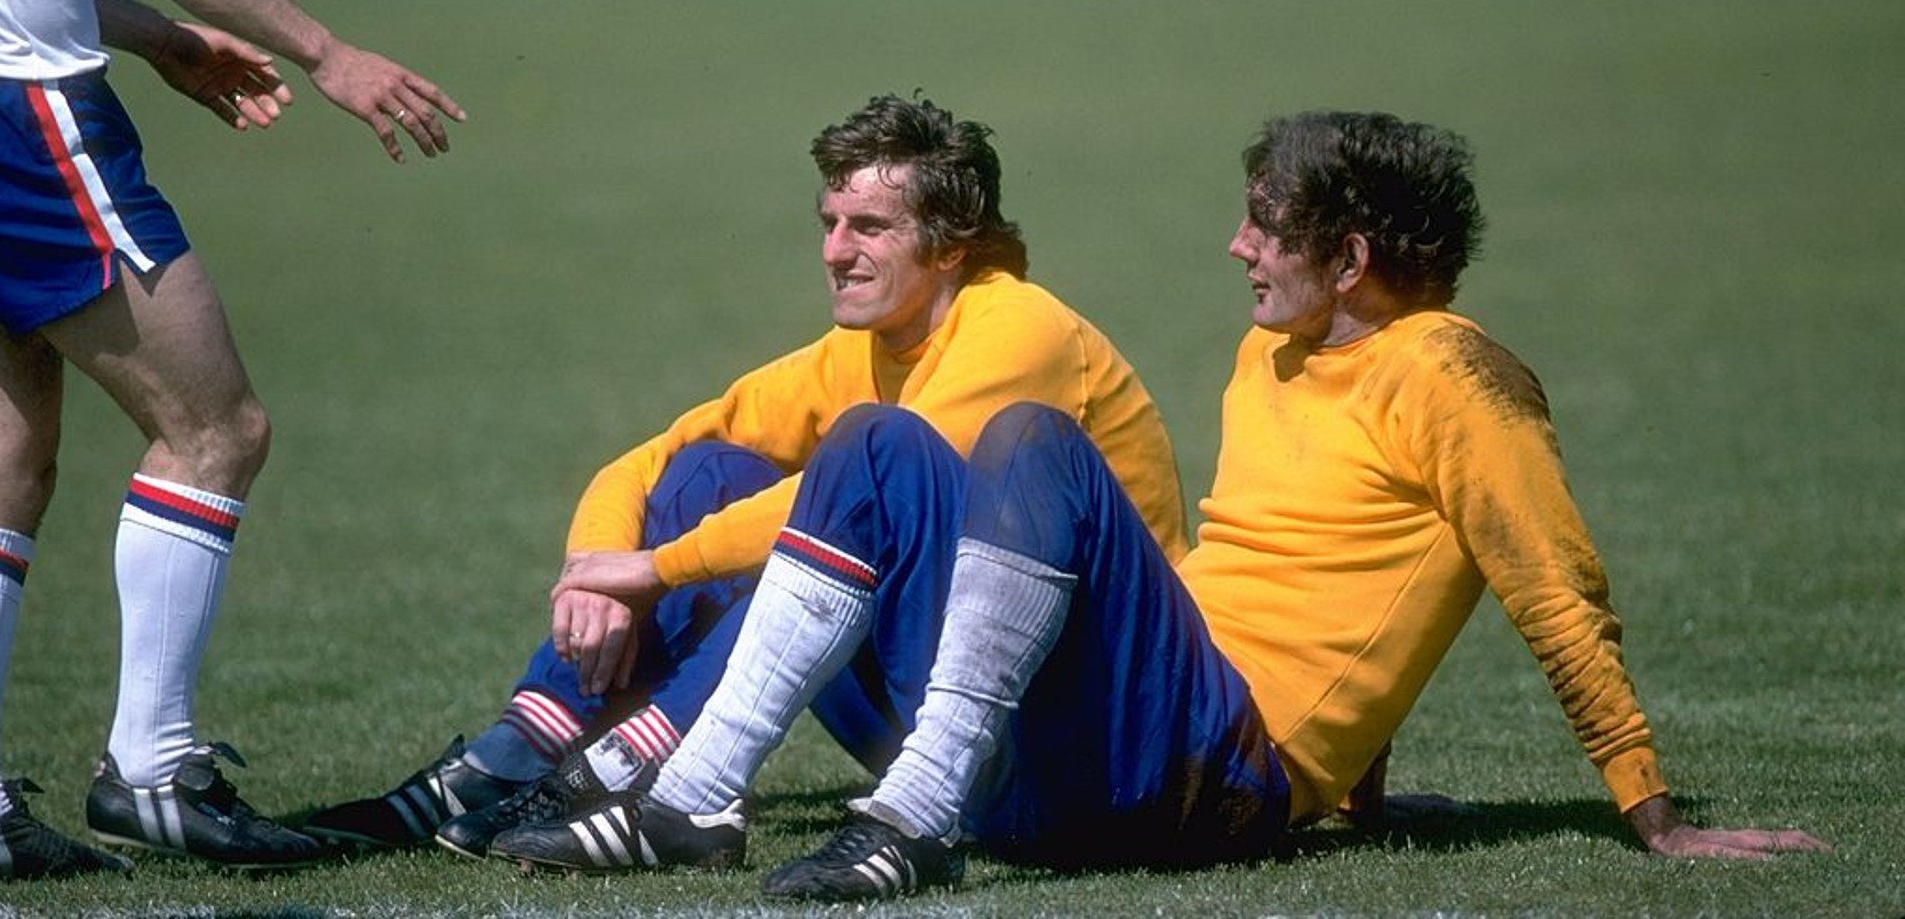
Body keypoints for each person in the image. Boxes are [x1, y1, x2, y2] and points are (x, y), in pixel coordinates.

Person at [494, 110, 1831, 898]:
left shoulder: (1462, 378)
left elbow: (1552, 588)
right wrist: (1359, 787)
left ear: (1350, 255)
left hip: (1211, 786)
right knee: (875, 444)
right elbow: (1313, 582)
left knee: (1031, 441)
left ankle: (907, 818)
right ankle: (700, 799)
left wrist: (1653, 811)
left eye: (1266, 223)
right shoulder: (1277, 352)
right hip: (1115, 758)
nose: (1238, 247)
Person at [303, 92, 1188, 861]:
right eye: (829, 223)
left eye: (870, 227)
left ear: (953, 245)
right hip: (967, 699)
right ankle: (526, 741)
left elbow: (843, 503)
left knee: (855, 489)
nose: (836, 251)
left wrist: (655, 572)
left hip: (1086, 723)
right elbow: (650, 462)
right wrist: (597, 569)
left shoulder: (1019, 329)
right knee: (706, 473)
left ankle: (640, 757)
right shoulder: (867, 347)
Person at [0, 0, 464, 881]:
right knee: (215, 428)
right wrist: (324, 52)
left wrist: (157, 37)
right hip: (21, 121)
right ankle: (151, 770)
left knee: (4, 464)